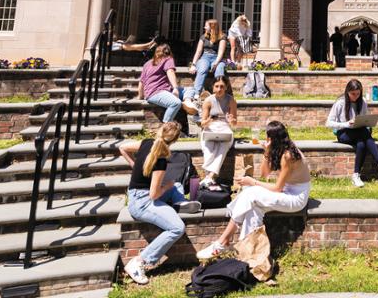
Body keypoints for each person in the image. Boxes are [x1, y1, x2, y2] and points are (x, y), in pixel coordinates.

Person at [197, 121, 311, 259]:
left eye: (267, 137)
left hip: (296, 197)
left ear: (273, 138)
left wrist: (253, 182)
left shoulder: (288, 155)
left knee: (250, 192)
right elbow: (265, 174)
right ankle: (246, 252)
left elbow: (277, 188)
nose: (266, 139)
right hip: (286, 191)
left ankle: (223, 241)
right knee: (253, 209)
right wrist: (266, 152)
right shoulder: (281, 149)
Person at [120, 121, 201, 284]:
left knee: (176, 184)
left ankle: (179, 203)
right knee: (177, 228)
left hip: (136, 194)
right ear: (175, 140)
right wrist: (167, 186)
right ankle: (139, 262)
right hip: (142, 203)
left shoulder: (146, 143)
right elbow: (154, 194)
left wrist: (135, 165)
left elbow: (122, 147)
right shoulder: (161, 159)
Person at [325, 79, 378, 187]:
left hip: (358, 131)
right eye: (353, 94)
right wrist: (346, 124)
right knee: (363, 133)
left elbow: (364, 118)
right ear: (347, 91)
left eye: (358, 94)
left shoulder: (362, 101)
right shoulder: (340, 102)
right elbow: (328, 123)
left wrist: (368, 122)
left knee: (361, 143)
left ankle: (356, 175)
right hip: (343, 133)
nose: (355, 96)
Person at [197, 75, 237, 188]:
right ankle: (210, 177)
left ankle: (208, 177)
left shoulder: (231, 101)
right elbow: (202, 123)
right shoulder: (208, 101)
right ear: (213, 87)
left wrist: (231, 120)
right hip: (210, 127)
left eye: (222, 87)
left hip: (224, 127)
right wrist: (210, 120)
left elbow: (234, 123)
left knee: (222, 149)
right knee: (208, 149)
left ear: (226, 87)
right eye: (217, 86)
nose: (219, 89)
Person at [137, 43, 185, 132]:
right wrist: (175, 88)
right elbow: (170, 71)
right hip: (157, 92)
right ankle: (165, 128)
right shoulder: (168, 59)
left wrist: (140, 96)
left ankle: (189, 101)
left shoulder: (147, 63)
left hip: (150, 93)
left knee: (188, 90)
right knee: (176, 103)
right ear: (168, 52)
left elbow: (141, 82)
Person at [188, 19, 227, 98]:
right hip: (205, 57)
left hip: (217, 58)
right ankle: (196, 93)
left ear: (212, 27)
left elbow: (221, 52)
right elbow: (198, 51)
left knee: (220, 68)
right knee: (203, 68)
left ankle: (219, 92)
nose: (204, 27)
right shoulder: (203, 37)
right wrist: (193, 64)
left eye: (206, 26)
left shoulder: (222, 37)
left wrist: (216, 62)